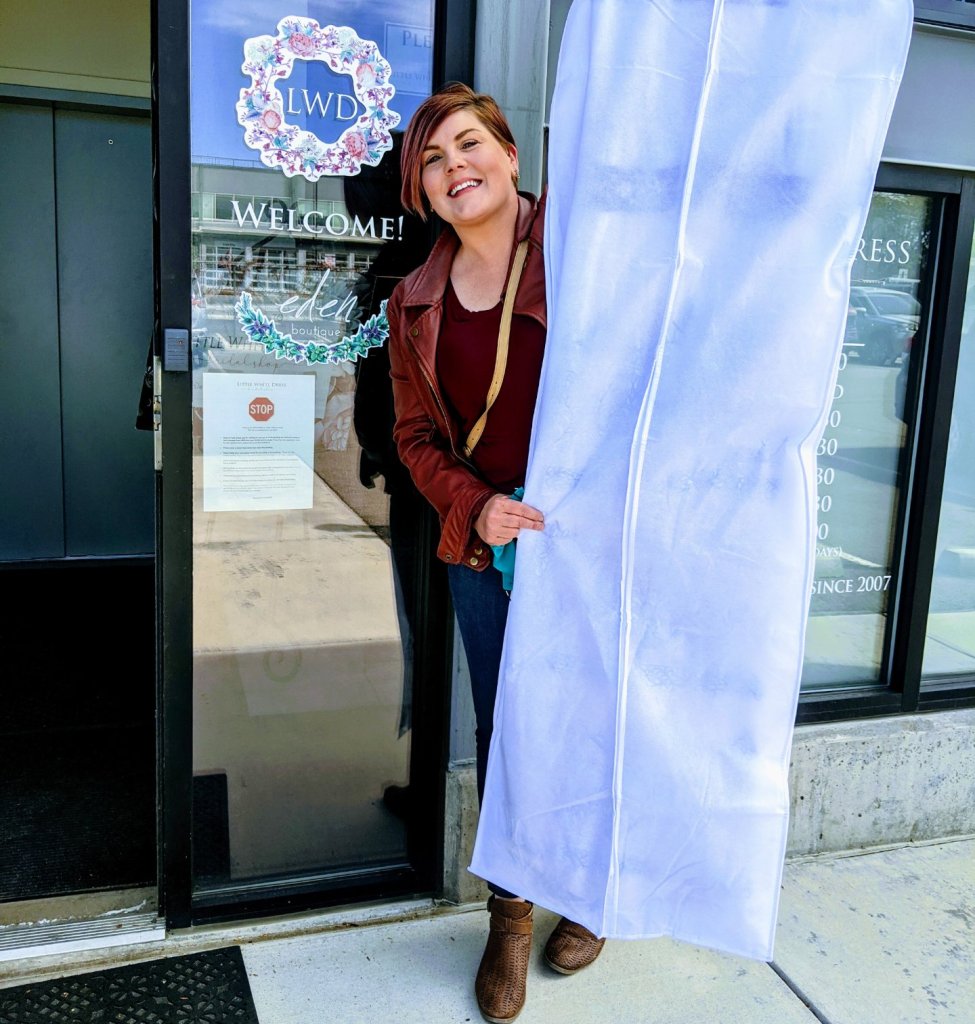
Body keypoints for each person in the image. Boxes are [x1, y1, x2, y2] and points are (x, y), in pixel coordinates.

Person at [386, 83, 605, 1024]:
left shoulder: (589, 247)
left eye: (468, 145)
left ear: (509, 155)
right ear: (421, 190)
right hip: (485, 553)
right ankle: (510, 915)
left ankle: (591, 892)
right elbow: (412, 437)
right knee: (508, 732)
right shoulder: (412, 301)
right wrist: (474, 508)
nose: (454, 168)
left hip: (592, 544)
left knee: (597, 720)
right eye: (433, 160)